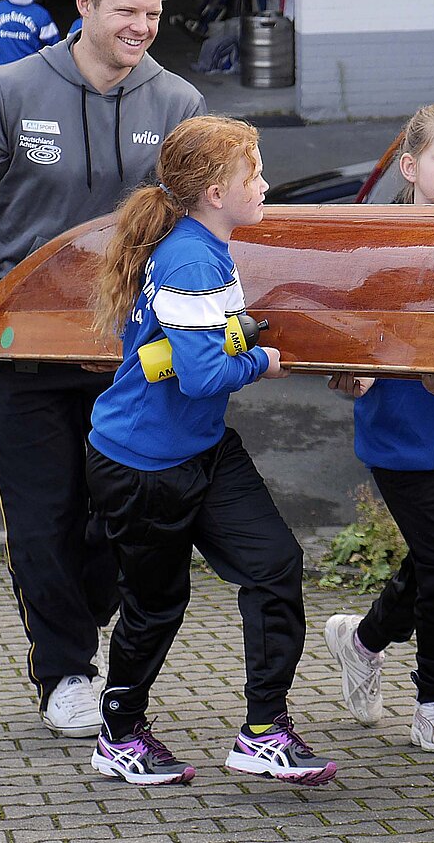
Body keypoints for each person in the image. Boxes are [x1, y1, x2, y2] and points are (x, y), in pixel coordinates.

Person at [0, 0, 206, 740]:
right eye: (127, 10)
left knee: (115, 521)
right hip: (19, 351)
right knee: (42, 516)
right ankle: (65, 671)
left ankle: (82, 614)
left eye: (153, 14)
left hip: (129, 356)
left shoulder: (179, 103)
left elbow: (205, 223)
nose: (142, 27)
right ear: (84, 6)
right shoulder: (15, 88)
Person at [84, 115, 338, 787]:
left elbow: (194, 345)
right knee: (156, 606)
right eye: (251, 173)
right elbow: (200, 374)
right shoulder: (192, 255)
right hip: (143, 464)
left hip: (200, 447)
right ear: (215, 193)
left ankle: (263, 732)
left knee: (275, 563)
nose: (263, 183)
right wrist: (263, 360)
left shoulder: (203, 244)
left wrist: (245, 337)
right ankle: (117, 734)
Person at [323, 103, 434, 752]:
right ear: (411, 166)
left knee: (432, 566)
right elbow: (347, 327)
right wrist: (348, 369)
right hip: (396, 437)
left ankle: (360, 641)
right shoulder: (380, 241)